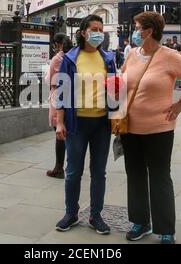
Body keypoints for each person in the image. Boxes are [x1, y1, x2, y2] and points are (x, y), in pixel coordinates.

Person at [121, 11, 181, 244]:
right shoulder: (132, 55)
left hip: (159, 129)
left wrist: (180, 104)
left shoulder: (169, 56)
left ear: (148, 31)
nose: (134, 32)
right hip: (130, 128)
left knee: (159, 177)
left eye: (137, 27)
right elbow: (122, 82)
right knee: (135, 176)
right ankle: (140, 222)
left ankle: (166, 229)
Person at [55, 14, 116, 234]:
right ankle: (71, 213)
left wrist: (117, 121)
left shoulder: (108, 58)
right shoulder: (70, 59)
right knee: (73, 171)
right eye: (94, 28)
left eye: (101, 28)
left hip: (101, 124)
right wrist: (60, 123)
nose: (99, 32)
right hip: (76, 124)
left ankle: (95, 216)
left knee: (99, 172)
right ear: (83, 32)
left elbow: (114, 91)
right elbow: (61, 93)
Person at [45, 33, 73, 179]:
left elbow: (51, 80)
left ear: (57, 44)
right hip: (71, 97)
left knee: (59, 132)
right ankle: (70, 165)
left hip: (58, 96)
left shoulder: (58, 59)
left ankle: (58, 167)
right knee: (68, 133)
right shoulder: (73, 55)